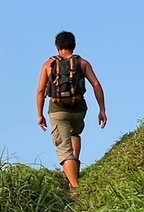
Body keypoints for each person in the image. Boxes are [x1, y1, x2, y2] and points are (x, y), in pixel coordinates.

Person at [35, 31, 107, 194]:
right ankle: (74, 169)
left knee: (64, 148)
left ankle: (74, 187)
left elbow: (40, 91)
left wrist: (40, 115)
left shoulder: (48, 65)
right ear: (73, 46)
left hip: (58, 111)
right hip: (79, 109)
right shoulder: (82, 63)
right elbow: (96, 84)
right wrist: (102, 109)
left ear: (57, 47)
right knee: (74, 134)